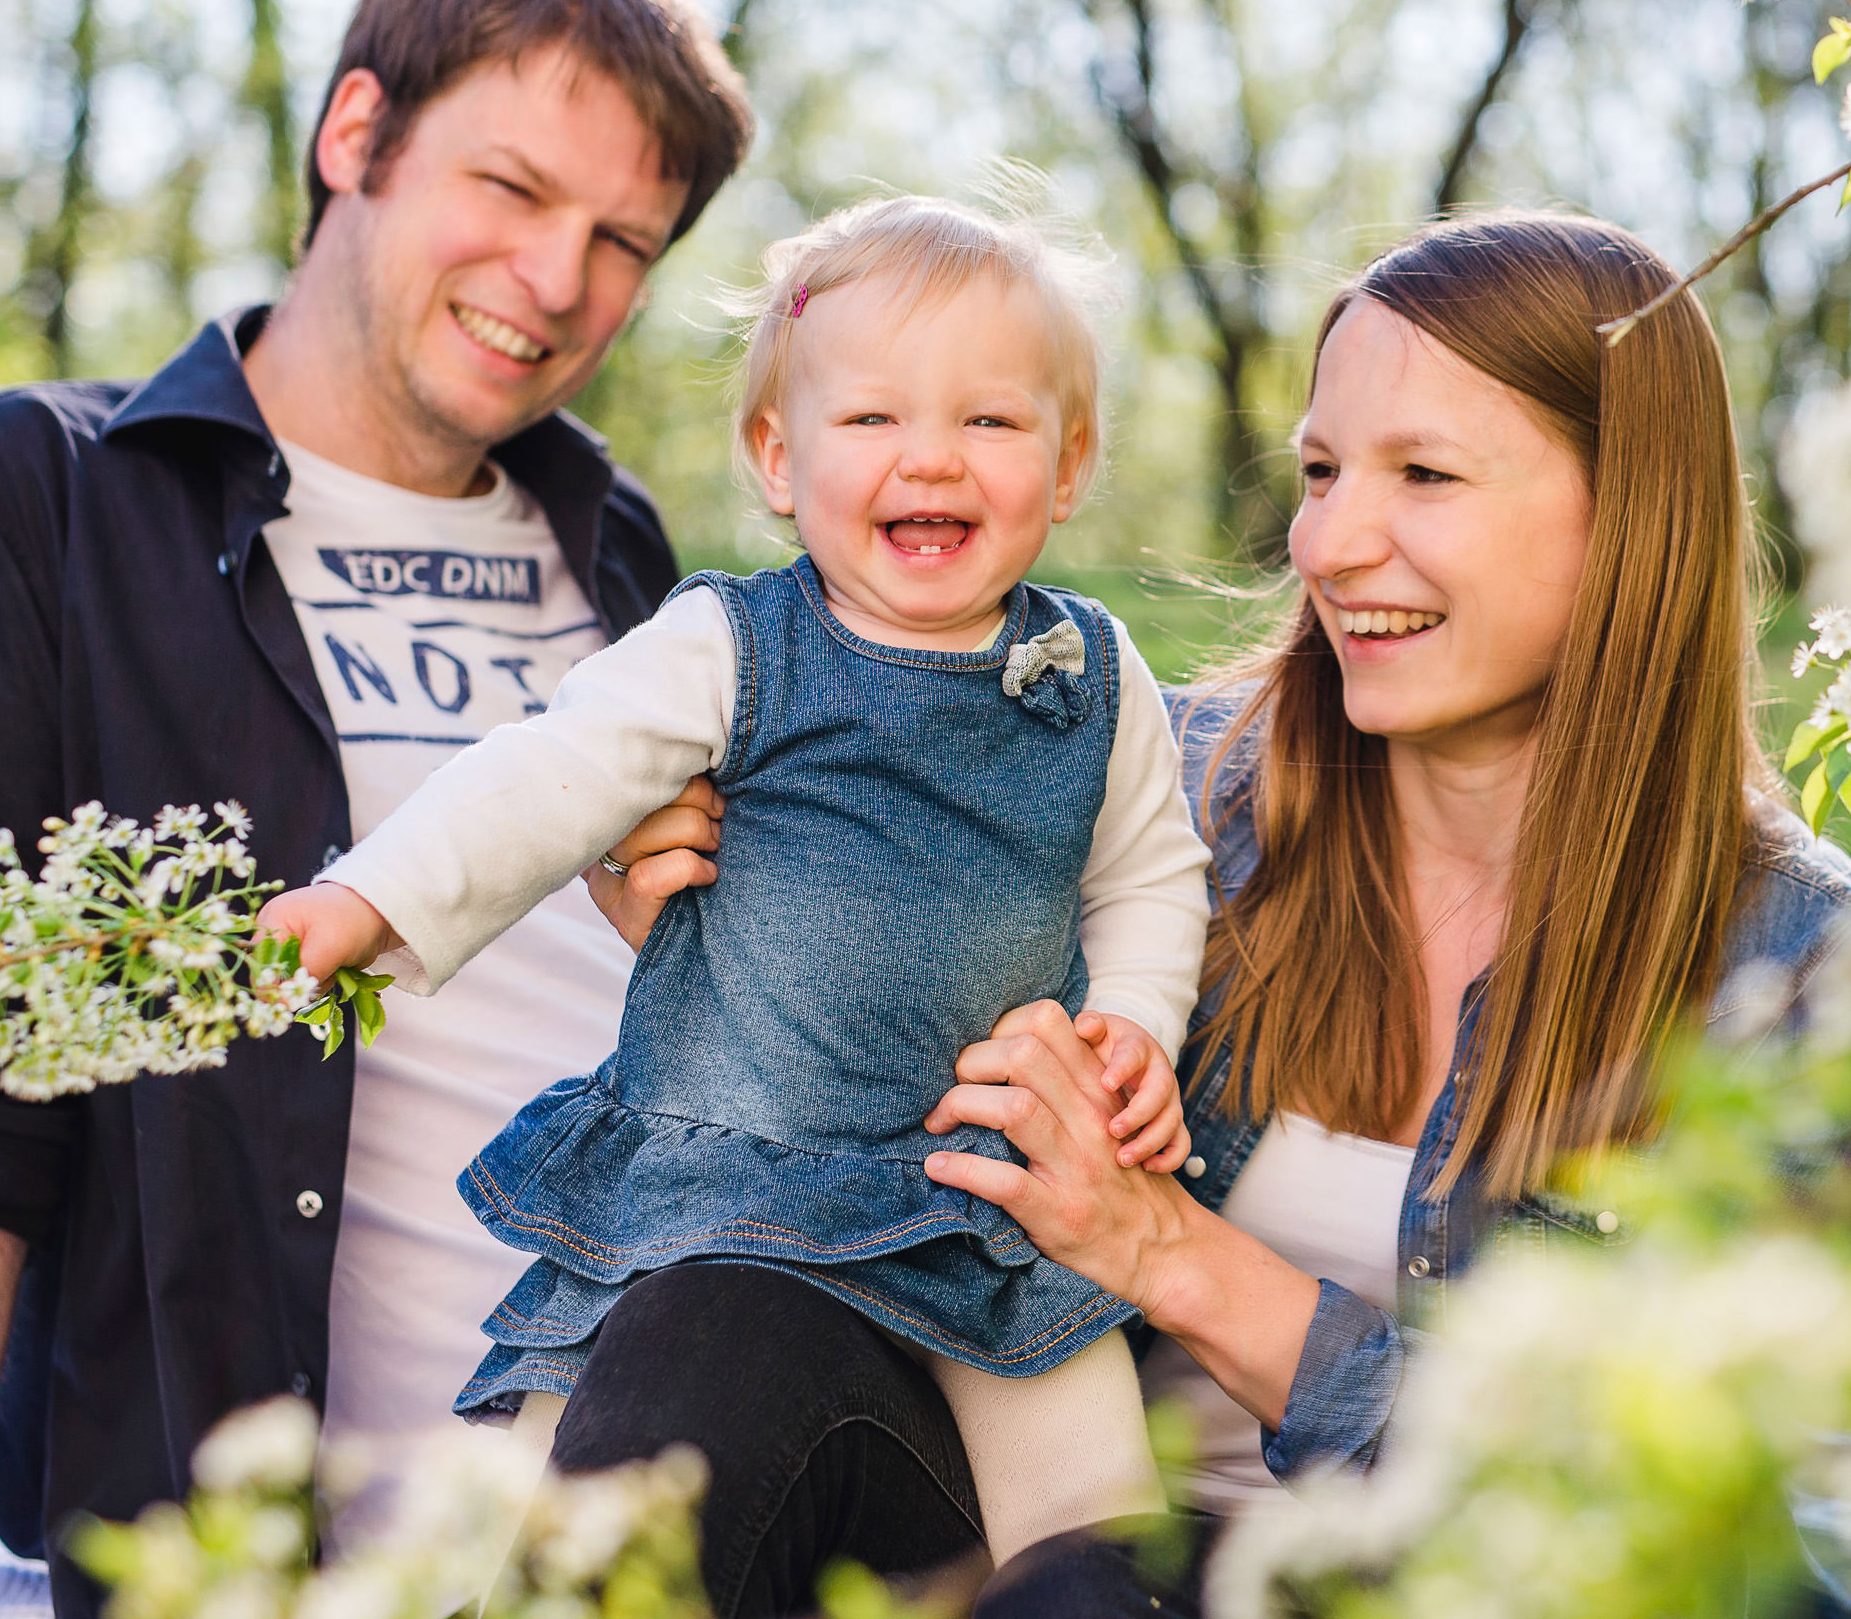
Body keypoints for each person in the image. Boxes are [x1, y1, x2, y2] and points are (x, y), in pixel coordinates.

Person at [583, 212, 1851, 1617]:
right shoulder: (1141, 785)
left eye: (1423, 474)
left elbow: (1707, 1535)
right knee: (717, 1327)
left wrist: (1174, 1257)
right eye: (1320, 471)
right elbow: (862, 1038)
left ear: (1631, 512)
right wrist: (709, 886)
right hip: (1037, 1509)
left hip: (1451, 1588)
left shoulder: (1800, 973)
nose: (1328, 539)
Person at [0, 0, 753, 1619]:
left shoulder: (631, 559)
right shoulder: (20, 508)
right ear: (356, 133)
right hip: (256, 1570)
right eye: (509, 188)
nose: (557, 282)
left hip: (658, 1546)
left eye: (623, 239)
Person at [260, 192, 1215, 1568]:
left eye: (991, 423)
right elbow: (550, 774)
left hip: (995, 1195)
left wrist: (1136, 1021)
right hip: (724, 1167)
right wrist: (368, 900)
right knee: (559, 1513)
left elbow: (1147, 876)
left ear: (1068, 470)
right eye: (873, 419)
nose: (930, 458)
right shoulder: (730, 645)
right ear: (779, 456)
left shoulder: (1094, 677)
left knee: (1091, 1538)